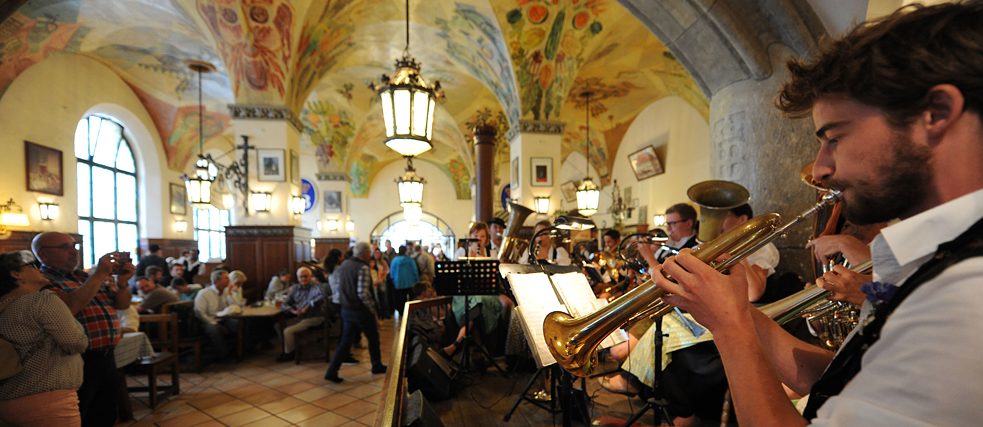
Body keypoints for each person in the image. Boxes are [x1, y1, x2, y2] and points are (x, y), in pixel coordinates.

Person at [653, 3, 983, 425]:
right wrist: (733, 311)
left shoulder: (964, 298)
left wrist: (730, 328)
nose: (823, 168)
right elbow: (845, 380)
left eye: (835, 137)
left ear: (935, 113)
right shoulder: (939, 260)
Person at [32, 232, 134, 426]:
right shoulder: (41, 281)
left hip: (106, 356)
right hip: (74, 360)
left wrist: (122, 283)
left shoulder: (84, 277)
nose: (74, 252)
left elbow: (122, 304)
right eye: (65, 247)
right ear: (43, 255)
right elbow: (69, 307)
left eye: (75, 246)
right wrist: (100, 275)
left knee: (105, 414)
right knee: (81, 415)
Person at [0, 251, 90, 426]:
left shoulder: (3, 307)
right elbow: (75, 342)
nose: (39, 269)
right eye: (32, 266)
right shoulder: (42, 301)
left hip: (7, 401)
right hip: (48, 400)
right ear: (16, 274)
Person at [324, 242, 386, 383]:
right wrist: (373, 311)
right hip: (360, 310)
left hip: (346, 309)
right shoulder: (362, 268)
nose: (370, 254)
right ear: (364, 253)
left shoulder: (345, 264)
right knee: (373, 338)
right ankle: (376, 365)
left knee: (345, 342)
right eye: (369, 252)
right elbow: (363, 293)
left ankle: (331, 371)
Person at [276, 266, 325, 362]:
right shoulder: (295, 288)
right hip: (300, 317)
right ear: (297, 278)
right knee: (278, 326)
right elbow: (285, 304)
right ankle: (292, 348)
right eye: (301, 277)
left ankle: (289, 354)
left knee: (288, 331)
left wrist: (307, 307)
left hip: (314, 318)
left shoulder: (316, 286)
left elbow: (320, 297)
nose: (303, 279)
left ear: (310, 277)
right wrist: (293, 311)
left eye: (306, 276)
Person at [194, 270, 239, 363]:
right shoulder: (204, 293)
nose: (229, 280)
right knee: (214, 330)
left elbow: (234, 306)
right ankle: (224, 356)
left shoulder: (225, 291)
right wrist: (213, 323)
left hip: (222, 318)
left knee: (238, 324)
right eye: (226, 278)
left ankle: (239, 351)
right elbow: (199, 312)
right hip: (206, 321)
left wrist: (230, 293)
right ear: (217, 281)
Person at [389, 245, 418, 316]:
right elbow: (415, 271)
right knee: (411, 298)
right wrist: (417, 280)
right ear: (405, 251)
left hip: (398, 283)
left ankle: (401, 312)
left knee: (400, 299)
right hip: (410, 283)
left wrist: (393, 280)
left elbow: (392, 272)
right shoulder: (410, 260)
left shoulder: (395, 260)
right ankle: (411, 311)